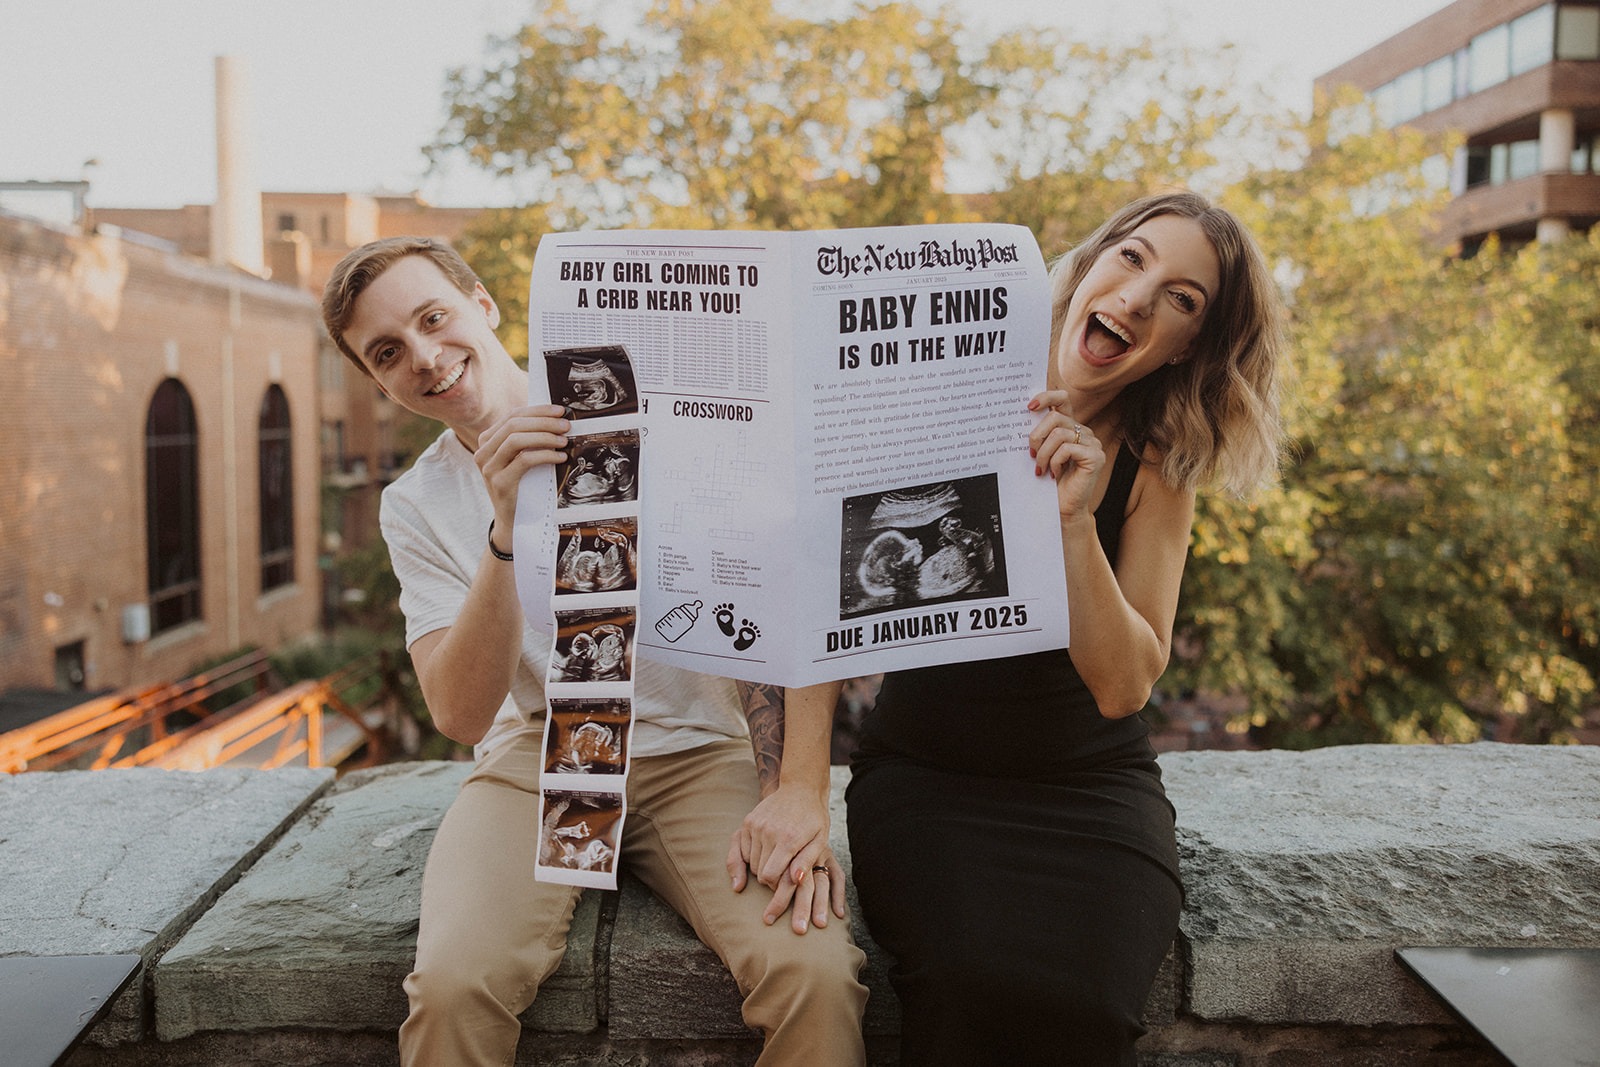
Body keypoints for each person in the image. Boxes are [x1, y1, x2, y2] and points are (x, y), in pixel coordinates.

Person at [319, 236, 868, 1066]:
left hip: (698, 749)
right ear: (375, 379)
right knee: (453, 986)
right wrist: (507, 529)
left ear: (484, 302)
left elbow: (792, 597)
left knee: (816, 974)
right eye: (388, 353)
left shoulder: (655, 413)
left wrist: (797, 789)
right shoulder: (416, 503)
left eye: (434, 318)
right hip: (539, 760)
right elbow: (463, 713)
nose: (425, 357)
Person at [780, 191, 1286, 1065]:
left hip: (1086, 793)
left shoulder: (1158, 463)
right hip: (929, 778)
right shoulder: (925, 394)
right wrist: (798, 792)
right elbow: (821, 603)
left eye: (1181, 297)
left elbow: (1126, 684)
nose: (1137, 296)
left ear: (1189, 343)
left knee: (1082, 1007)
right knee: (968, 989)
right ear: (1089, 266)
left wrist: (1072, 521)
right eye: (1131, 259)